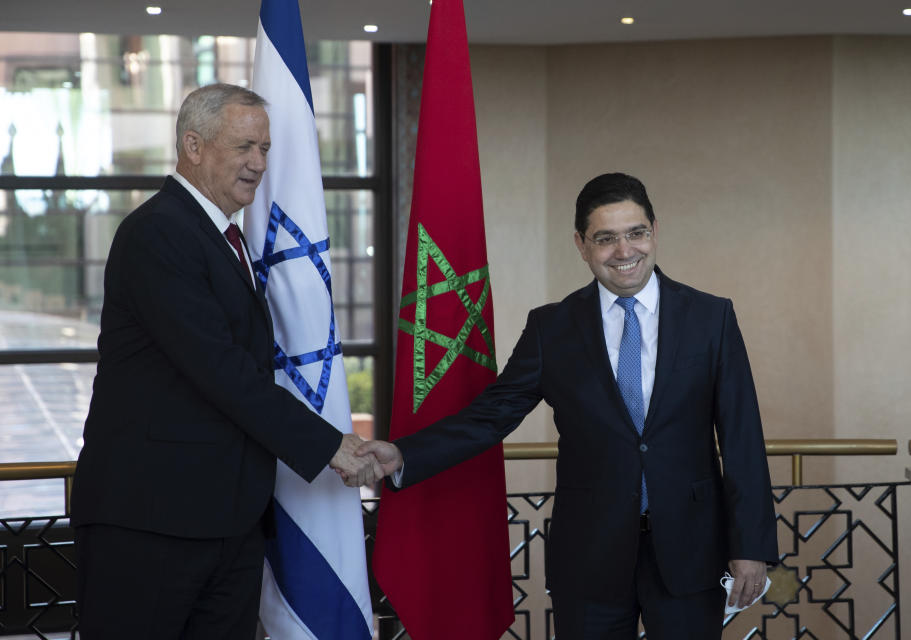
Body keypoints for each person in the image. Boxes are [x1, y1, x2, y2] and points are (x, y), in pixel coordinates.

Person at [358, 172, 778, 639]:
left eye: (636, 233)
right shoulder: (551, 329)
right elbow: (491, 415)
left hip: (692, 551)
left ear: (654, 232)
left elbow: (742, 438)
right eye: (606, 239)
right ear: (581, 244)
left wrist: (751, 546)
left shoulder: (711, 318)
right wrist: (403, 454)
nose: (624, 251)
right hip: (590, 558)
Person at [70, 83, 382, 638]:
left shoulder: (219, 238)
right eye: (244, 147)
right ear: (193, 145)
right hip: (151, 525)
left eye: (264, 149)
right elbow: (222, 371)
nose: (259, 163)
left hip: (225, 525)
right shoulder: (158, 233)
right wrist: (331, 444)